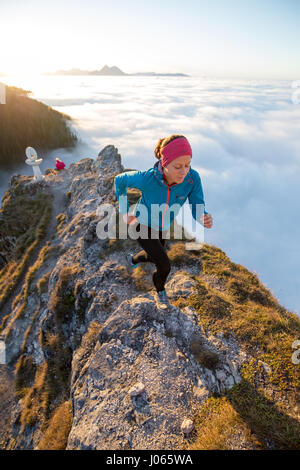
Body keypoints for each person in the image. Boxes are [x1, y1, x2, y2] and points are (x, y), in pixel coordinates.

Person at [114, 134, 213, 310]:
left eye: (187, 165)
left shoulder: (192, 179)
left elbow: (197, 203)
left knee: (153, 255)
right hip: (141, 225)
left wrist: (202, 216)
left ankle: (133, 260)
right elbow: (119, 180)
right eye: (178, 166)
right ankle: (160, 291)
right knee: (164, 265)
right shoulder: (147, 178)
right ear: (164, 163)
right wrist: (124, 211)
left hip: (162, 227)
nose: (184, 171)